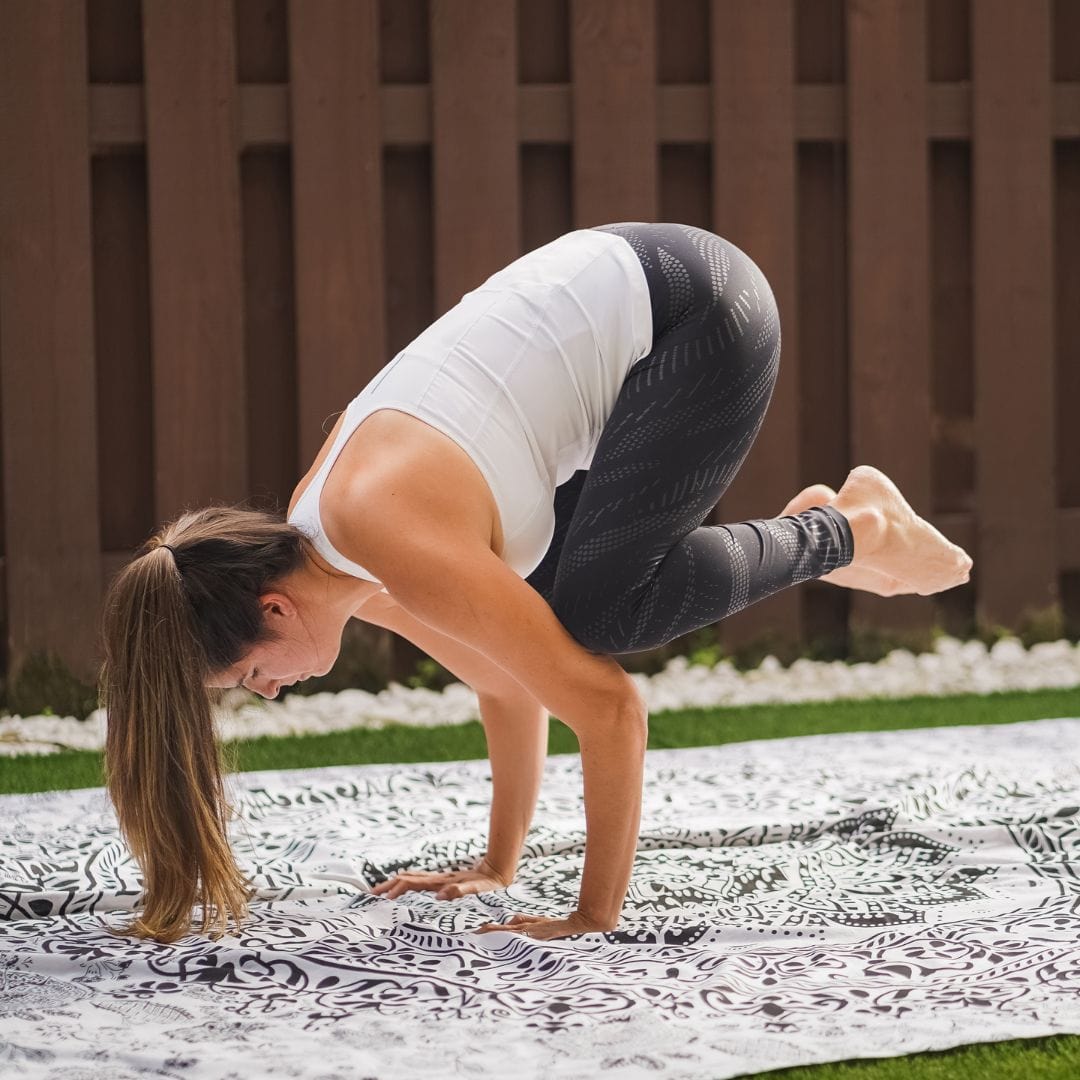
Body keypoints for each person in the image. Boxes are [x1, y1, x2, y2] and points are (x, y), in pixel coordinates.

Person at [98, 222, 972, 945]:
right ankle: (843, 524)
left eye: (253, 674)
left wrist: (591, 916)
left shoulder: (379, 530)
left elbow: (608, 709)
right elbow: (502, 679)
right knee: (556, 618)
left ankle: (855, 528)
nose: (272, 690)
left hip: (700, 312)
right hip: (633, 315)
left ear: (272, 608)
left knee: (600, 617)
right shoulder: (341, 546)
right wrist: (498, 866)